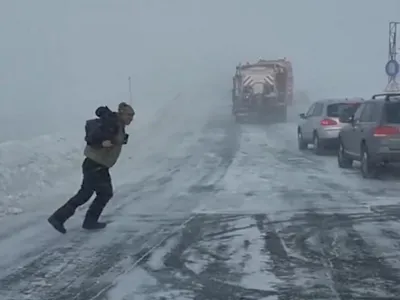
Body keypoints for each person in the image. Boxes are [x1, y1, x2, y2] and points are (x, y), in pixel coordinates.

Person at [47, 102, 135, 233]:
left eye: (132, 115)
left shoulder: (117, 124)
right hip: (95, 165)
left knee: (95, 193)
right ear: (121, 113)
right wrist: (101, 142)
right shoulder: (111, 123)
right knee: (94, 194)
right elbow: (93, 138)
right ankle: (61, 218)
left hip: (97, 165)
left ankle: (83, 221)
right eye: (129, 115)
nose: (131, 118)